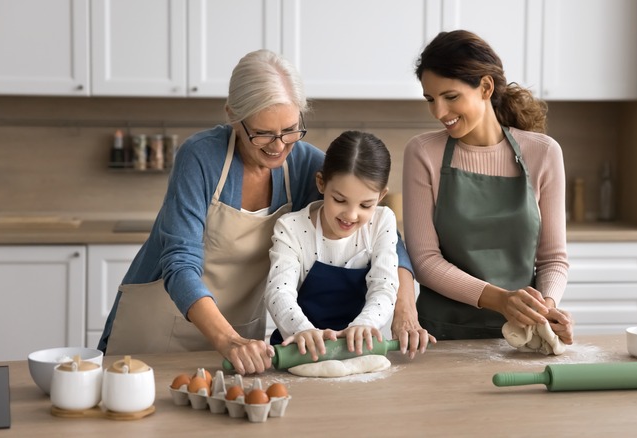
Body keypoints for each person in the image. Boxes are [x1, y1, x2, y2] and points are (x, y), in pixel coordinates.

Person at [97, 49, 431, 375]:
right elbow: (180, 262)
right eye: (262, 134)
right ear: (233, 116)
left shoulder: (304, 164)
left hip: (240, 333)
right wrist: (226, 339)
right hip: (163, 319)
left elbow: (384, 233)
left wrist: (404, 306)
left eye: (290, 130)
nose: (278, 146)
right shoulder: (200, 157)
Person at [402, 30, 574, 344]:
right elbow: (425, 261)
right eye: (430, 99)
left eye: (450, 97)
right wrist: (502, 300)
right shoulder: (423, 152)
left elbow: (553, 259)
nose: (439, 112)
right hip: (441, 337)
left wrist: (543, 309)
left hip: (520, 337)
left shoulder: (544, 153)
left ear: (485, 87)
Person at [265, 130, 401, 360]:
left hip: (358, 350)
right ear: (321, 183)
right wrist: (302, 330)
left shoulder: (382, 221)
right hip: (300, 351)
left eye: (366, 205)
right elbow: (279, 292)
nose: (351, 215)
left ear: (380, 196)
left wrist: (365, 324)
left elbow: (384, 286)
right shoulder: (291, 228)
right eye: (339, 200)